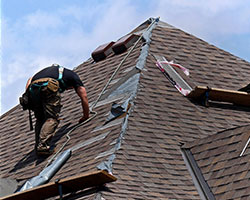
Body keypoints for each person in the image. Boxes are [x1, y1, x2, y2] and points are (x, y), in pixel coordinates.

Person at [24, 64, 89, 156]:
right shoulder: (74, 77)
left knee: (40, 119)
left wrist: (28, 95)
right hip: (47, 86)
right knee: (51, 118)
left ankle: (38, 145)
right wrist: (86, 116)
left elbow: (30, 79)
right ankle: (42, 146)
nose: (67, 89)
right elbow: (84, 96)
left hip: (33, 89)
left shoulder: (52, 71)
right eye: (69, 88)